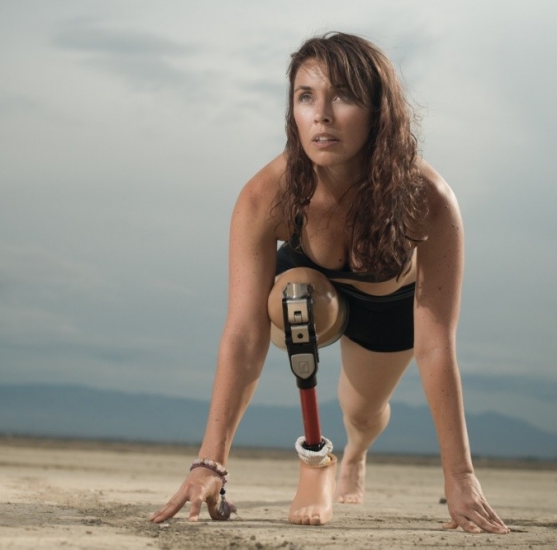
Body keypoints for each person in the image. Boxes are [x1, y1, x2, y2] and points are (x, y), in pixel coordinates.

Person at [150, 32, 509, 534]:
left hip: (388, 310)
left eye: (342, 96)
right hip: (308, 297)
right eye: (305, 96)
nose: (321, 114)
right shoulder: (265, 197)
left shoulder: (426, 198)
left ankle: (356, 451)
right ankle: (316, 460)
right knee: (296, 294)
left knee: (362, 412)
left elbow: (435, 345)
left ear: (379, 111)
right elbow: (244, 334)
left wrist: (461, 476)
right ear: (292, 110)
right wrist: (209, 462)